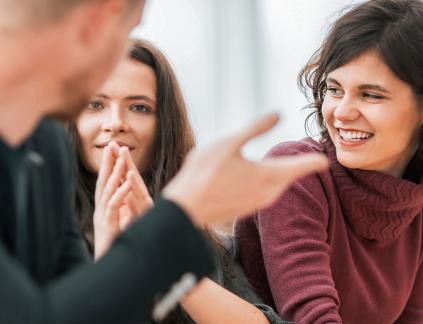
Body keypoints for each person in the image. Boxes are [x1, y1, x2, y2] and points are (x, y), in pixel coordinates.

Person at [0, 0, 327, 323]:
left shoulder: (44, 145)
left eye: (139, 107)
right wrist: (181, 211)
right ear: (101, 19)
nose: (115, 123)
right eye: (126, 30)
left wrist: (143, 240)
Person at [235, 0, 423, 323]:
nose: (341, 112)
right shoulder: (295, 175)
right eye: (335, 89)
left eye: (371, 95)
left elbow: (409, 319)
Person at [68, 38, 291, 324]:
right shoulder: (29, 236)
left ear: (164, 128)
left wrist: (161, 251)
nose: (115, 122)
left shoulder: (209, 246)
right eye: (95, 104)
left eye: (139, 108)